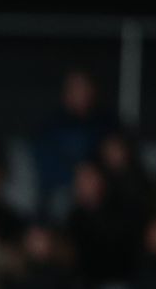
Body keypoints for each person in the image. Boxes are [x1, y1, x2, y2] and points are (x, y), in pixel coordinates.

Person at [31, 70, 118, 207]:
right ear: (66, 93)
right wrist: (76, 177)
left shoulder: (107, 125)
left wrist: (94, 177)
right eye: (76, 88)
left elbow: (116, 161)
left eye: (85, 87)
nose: (81, 93)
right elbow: (46, 165)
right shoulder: (50, 127)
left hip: (100, 191)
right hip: (63, 193)